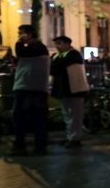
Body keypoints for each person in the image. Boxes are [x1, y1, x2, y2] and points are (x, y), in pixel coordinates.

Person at [8, 25, 51, 156]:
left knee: (21, 117)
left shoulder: (36, 47)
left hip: (28, 88)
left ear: (29, 34)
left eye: (21, 33)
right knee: (37, 118)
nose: (19, 36)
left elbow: (21, 52)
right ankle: (39, 146)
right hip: (35, 88)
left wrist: (18, 42)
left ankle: (21, 145)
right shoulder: (37, 49)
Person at [49, 36, 88, 148]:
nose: (57, 46)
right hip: (64, 89)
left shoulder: (73, 54)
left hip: (75, 89)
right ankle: (70, 137)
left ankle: (75, 138)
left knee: (75, 114)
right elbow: (53, 68)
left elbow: (56, 66)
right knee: (67, 114)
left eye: (60, 43)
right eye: (56, 43)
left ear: (67, 44)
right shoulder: (59, 56)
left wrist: (54, 64)